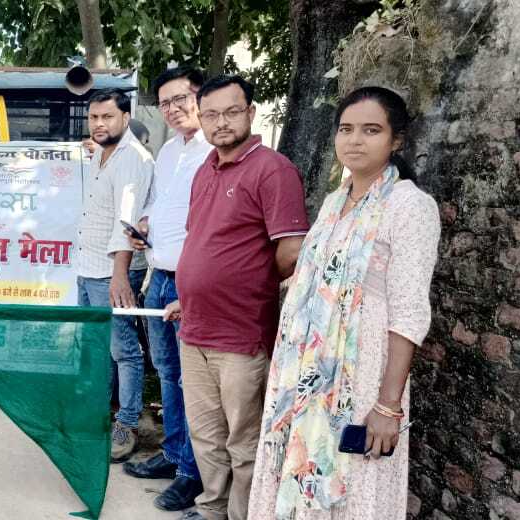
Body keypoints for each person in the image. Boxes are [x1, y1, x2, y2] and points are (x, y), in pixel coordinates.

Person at [247, 87, 439, 520]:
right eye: (346, 129)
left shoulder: (410, 206)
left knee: (353, 483)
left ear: (396, 139)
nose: (355, 140)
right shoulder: (336, 202)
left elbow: (409, 313)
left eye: (371, 130)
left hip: (362, 374)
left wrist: (388, 405)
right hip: (305, 374)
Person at [170, 75, 310, 520]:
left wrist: (245, 286)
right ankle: (211, 507)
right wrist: (191, 296)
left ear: (250, 113)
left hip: (242, 334)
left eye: (232, 112)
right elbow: (203, 242)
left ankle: (241, 514)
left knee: (244, 441)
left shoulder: (273, 170)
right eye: (211, 114)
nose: (221, 122)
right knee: (206, 435)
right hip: (195, 329)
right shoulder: (204, 170)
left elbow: (291, 250)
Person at [122, 67, 210, 512]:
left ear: (201, 97)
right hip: (159, 277)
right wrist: (144, 227)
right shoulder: (171, 150)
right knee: (169, 372)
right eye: (165, 103)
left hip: (194, 282)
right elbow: (158, 205)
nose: (173, 109)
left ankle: (194, 473)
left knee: (195, 380)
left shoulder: (215, 151)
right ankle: (174, 454)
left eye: (181, 99)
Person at [75, 88, 153, 462]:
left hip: (112, 273)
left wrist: (119, 275)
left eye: (107, 116)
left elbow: (127, 222)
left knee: (124, 351)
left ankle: (127, 423)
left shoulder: (132, 159)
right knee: (98, 348)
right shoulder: (103, 153)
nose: (99, 123)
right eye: (94, 117)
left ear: (126, 117)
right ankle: (100, 417)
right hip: (87, 268)